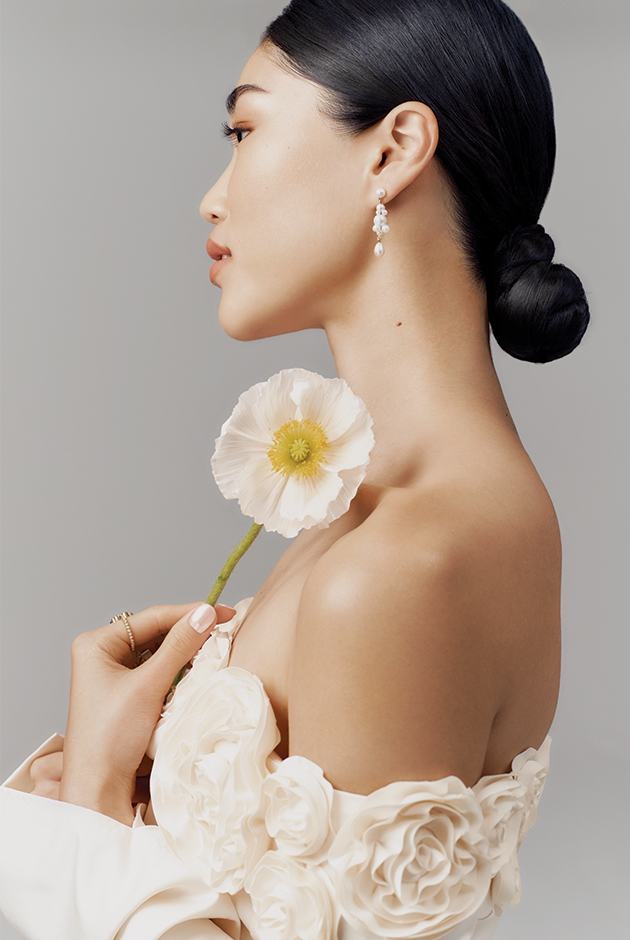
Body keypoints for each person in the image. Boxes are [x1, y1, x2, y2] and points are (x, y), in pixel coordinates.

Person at [0, 1, 589, 939]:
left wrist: (88, 825)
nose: (212, 195)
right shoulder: (392, 515)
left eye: (245, 129)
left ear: (393, 150)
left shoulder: (407, 560)